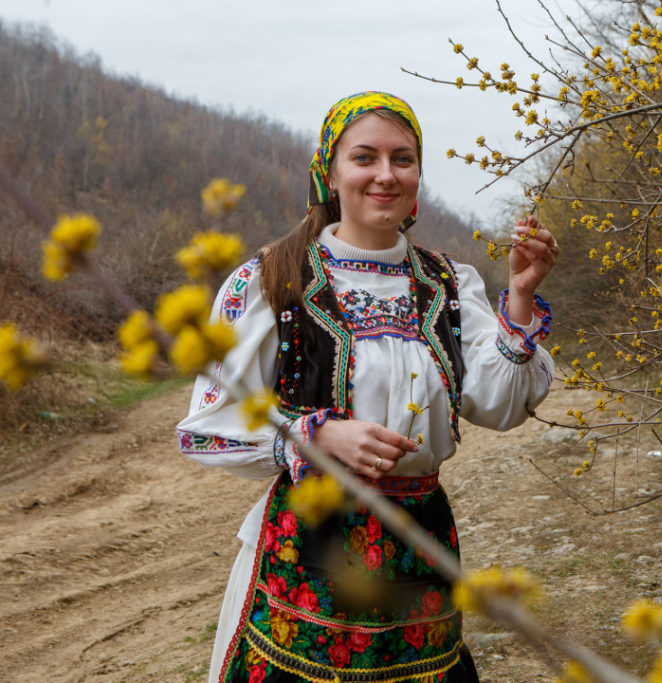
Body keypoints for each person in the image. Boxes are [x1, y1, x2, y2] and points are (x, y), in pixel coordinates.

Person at [176, 91, 557, 683]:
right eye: (364, 158)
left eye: (403, 159)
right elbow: (206, 429)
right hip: (308, 547)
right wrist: (314, 437)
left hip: (422, 540)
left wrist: (522, 298)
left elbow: (500, 406)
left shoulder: (450, 284)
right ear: (330, 171)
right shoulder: (272, 278)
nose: (385, 175)